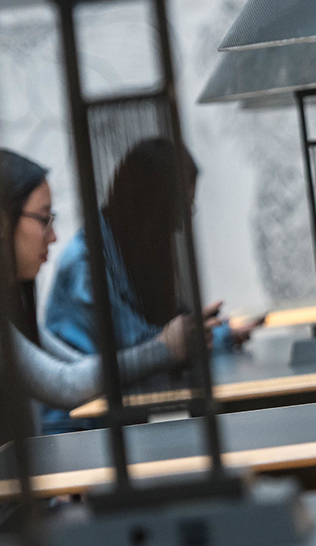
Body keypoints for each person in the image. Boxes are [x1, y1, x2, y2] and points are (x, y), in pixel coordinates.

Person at [0, 149, 213, 538]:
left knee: (147, 512)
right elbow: (64, 386)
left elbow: (76, 365)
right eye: (44, 220)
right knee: (141, 525)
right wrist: (164, 347)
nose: (54, 235)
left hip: (14, 504)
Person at [42, 138, 261, 434]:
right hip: (78, 429)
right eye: (183, 206)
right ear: (155, 204)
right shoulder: (86, 263)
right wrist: (209, 333)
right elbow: (140, 347)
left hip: (113, 419)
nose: (184, 220)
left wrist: (210, 329)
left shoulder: (128, 248)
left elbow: (164, 332)